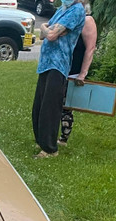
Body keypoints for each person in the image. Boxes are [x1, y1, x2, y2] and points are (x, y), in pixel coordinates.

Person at [31, 0, 86, 159]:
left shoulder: (76, 11)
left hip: (59, 64)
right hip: (46, 64)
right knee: (39, 105)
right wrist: (45, 29)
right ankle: (41, 140)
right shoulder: (62, 10)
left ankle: (49, 149)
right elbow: (43, 34)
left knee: (50, 107)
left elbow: (52, 35)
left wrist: (48, 29)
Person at [59, 1, 98, 146]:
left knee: (66, 105)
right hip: (61, 67)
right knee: (56, 102)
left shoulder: (87, 20)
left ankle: (63, 138)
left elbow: (90, 48)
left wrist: (83, 73)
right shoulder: (67, 17)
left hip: (74, 70)